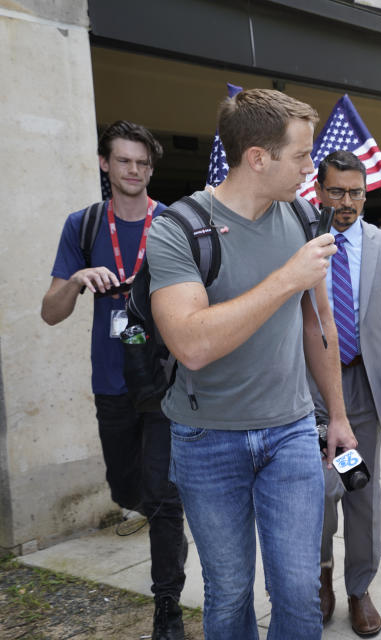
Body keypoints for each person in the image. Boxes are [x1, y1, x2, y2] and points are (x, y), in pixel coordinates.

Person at [146, 88, 355, 640]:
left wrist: (336, 414)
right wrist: (287, 277)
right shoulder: (178, 227)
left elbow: (319, 326)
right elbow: (191, 344)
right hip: (205, 438)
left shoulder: (307, 219)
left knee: (297, 589)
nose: (311, 169)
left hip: (290, 433)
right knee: (229, 592)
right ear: (258, 157)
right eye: (302, 156)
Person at [41, 121, 188, 640]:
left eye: (143, 162)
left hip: (165, 381)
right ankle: (155, 503)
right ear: (105, 164)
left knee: (163, 497)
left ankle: (166, 606)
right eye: (124, 160)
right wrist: (78, 280)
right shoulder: (83, 226)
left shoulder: (171, 223)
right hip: (112, 382)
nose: (134, 170)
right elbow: (50, 313)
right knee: (127, 488)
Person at [313, 150, 381, 637]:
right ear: (319, 191)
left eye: (356, 192)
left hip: (361, 390)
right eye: (337, 191)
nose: (347, 202)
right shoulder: (302, 243)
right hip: (309, 391)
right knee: (318, 490)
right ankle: (320, 577)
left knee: (357, 490)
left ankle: (358, 587)